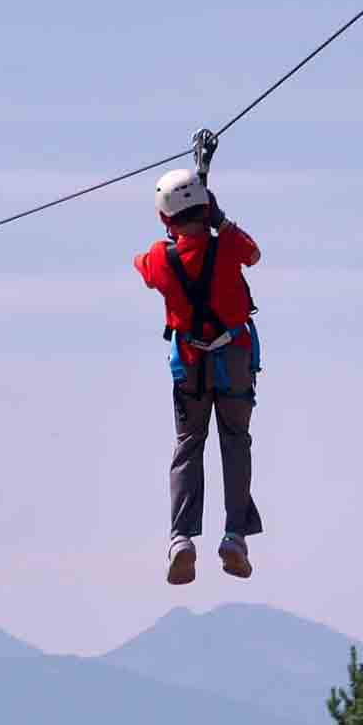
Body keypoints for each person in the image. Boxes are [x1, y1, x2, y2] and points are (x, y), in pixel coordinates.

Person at [133, 167, 263, 585]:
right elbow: (253, 253)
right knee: (235, 441)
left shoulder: (160, 258)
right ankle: (235, 536)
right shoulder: (225, 244)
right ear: (206, 208)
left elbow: (142, 266)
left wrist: (180, 233)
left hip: (190, 363)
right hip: (234, 358)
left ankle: (181, 539)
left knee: (190, 445)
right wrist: (220, 222)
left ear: (163, 218)